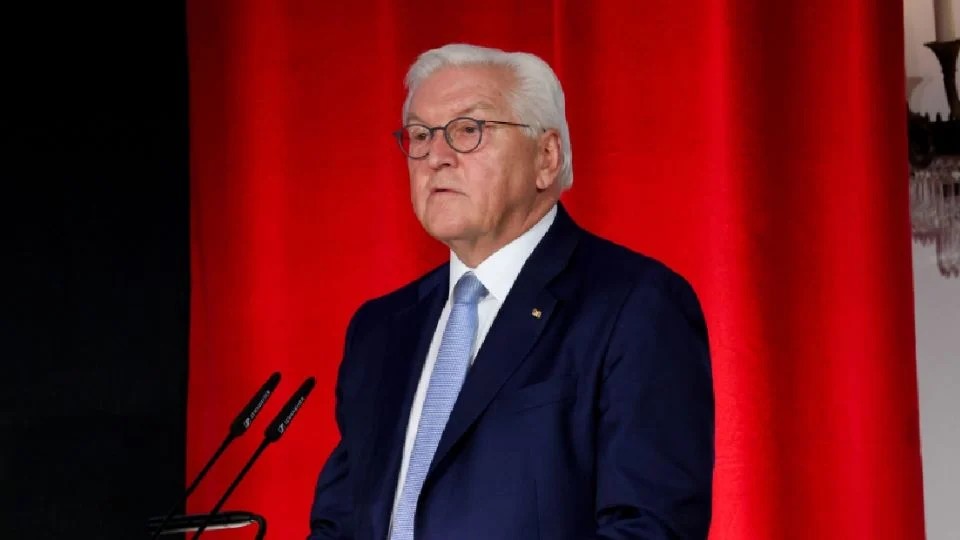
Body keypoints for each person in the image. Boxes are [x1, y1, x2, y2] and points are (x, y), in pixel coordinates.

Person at [308, 43, 714, 540]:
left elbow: (650, 528)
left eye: (467, 130)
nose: (436, 157)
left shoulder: (636, 306)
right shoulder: (379, 330)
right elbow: (339, 525)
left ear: (546, 156)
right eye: (421, 135)